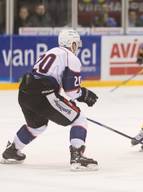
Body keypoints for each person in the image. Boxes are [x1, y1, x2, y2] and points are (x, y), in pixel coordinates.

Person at [1, 29, 99, 171]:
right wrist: (84, 94)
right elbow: (72, 92)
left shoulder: (50, 52)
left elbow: (45, 78)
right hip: (44, 95)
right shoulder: (71, 57)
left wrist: (63, 101)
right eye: (76, 44)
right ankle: (77, 156)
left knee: (37, 126)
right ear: (72, 44)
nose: (77, 47)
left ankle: (12, 151)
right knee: (79, 119)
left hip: (25, 92)